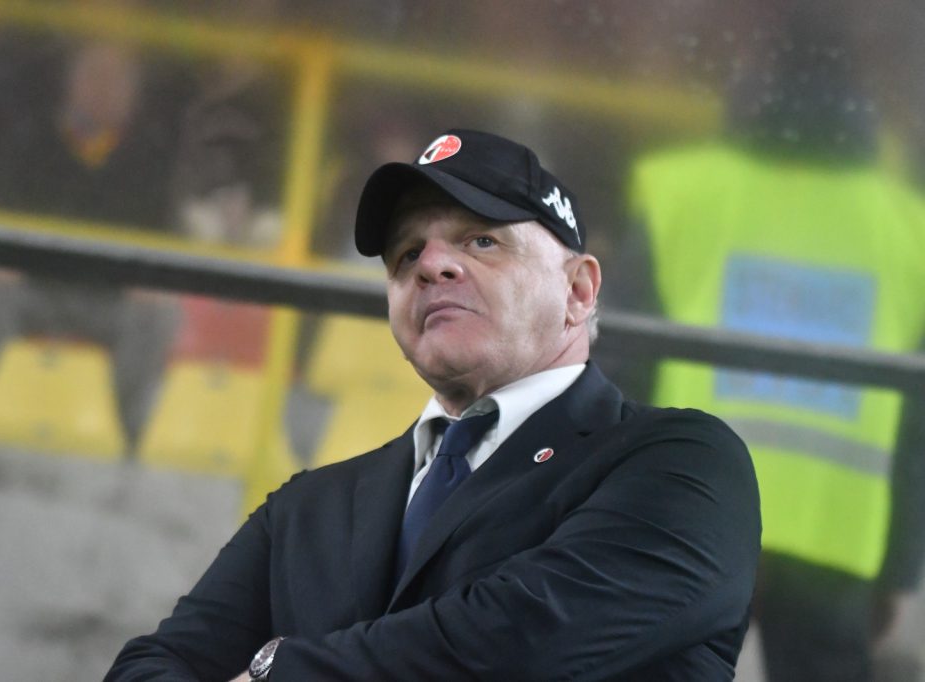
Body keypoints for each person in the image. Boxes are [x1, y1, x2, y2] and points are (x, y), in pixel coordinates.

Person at [106, 129, 761, 681]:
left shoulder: (685, 466)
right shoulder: (306, 509)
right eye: (407, 253)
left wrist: (274, 669)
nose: (430, 266)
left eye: (481, 241)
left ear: (579, 291)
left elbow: (517, 643)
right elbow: (154, 666)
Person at [619, 19, 925, 681]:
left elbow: (616, 365)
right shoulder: (908, 230)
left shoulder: (685, 196)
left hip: (690, 510)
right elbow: (916, 420)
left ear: (753, 84)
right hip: (835, 531)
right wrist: (898, 569)